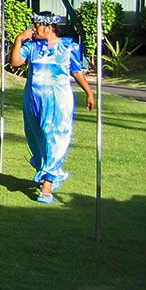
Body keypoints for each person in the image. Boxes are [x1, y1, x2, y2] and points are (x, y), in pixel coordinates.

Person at [10, 12, 95, 204]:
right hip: (33, 100)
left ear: (48, 27)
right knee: (36, 138)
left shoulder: (67, 46)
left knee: (53, 137)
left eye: (36, 25)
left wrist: (89, 93)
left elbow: (76, 72)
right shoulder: (31, 46)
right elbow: (15, 63)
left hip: (58, 101)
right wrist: (18, 40)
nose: (33, 29)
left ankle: (47, 185)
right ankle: (50, 172)